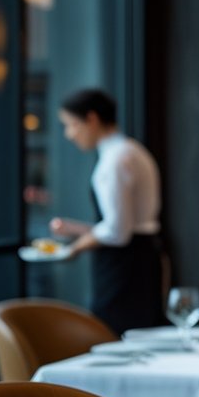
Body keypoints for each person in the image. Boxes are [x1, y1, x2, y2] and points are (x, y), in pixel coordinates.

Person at [49, 88, 164, 335]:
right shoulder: (132, 150)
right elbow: (127, 223)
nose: (69, 134)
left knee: (116, 337)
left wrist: (74, 248)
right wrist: (77, 230)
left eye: (72, 125)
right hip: (142, 257)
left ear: (92, 119)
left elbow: (117, 232)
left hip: (124, 269)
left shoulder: (114, 161)